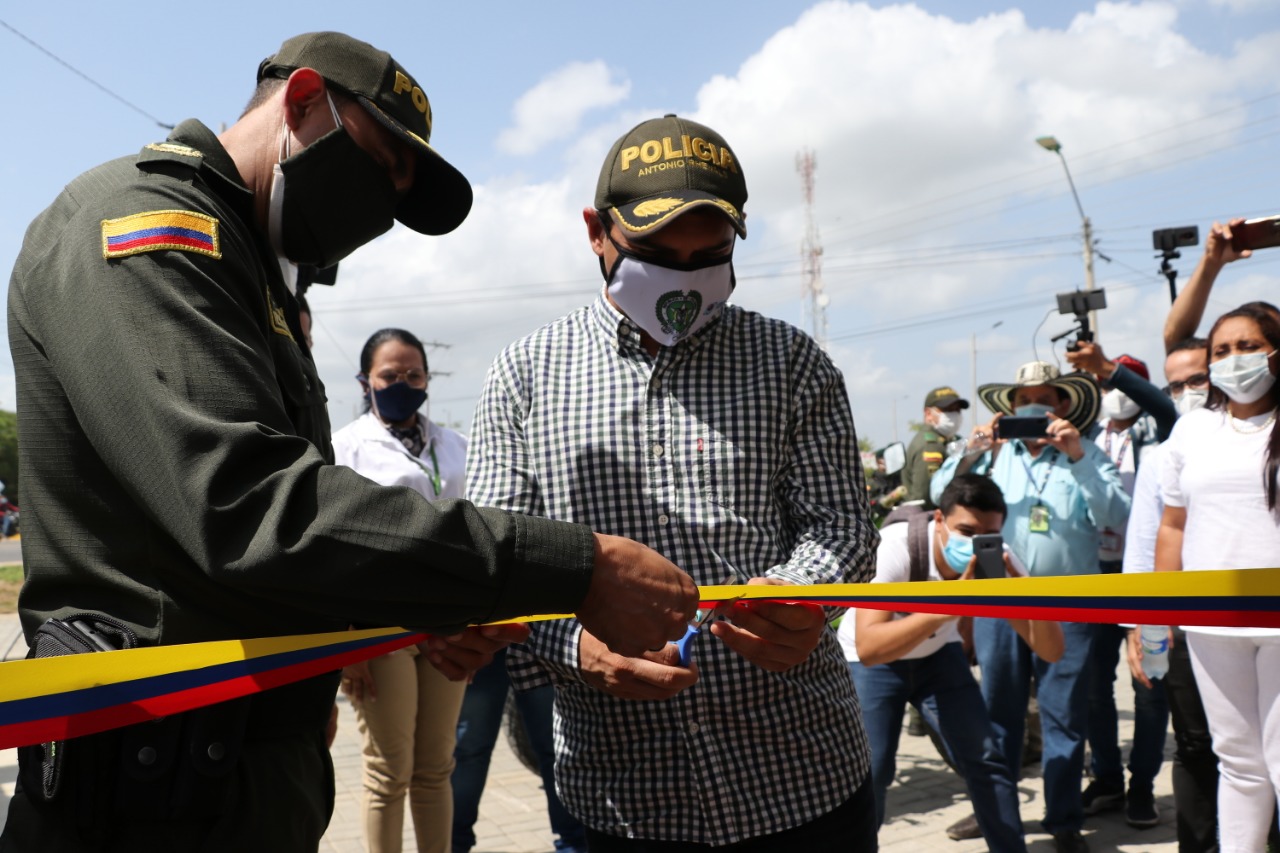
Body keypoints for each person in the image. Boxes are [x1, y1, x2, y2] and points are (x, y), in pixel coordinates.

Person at [1, 33, 698, 852]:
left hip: (228, 777)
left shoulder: (249, 264)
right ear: (300, 103)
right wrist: (573, 564)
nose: (378, 211)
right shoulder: (150, 228)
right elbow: (253, 512)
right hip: (139, 794)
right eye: (378, 166)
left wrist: (420, 610)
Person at [468, 114, 880, 851]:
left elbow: (844, 526)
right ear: (598, 232)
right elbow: (503, 554)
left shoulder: (791, 363)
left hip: (802, 777)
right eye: (656, 253)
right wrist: (574, 645)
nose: (684, 276)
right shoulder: (524, 377)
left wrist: (801, 594)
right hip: (621, 797)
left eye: (711, 254)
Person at [931, 361, 1130, 853]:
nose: (1033, 408)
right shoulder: (993, 457)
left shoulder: (1085, 454)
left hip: (1069, 604)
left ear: (1063, 406)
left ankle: (1063, 820)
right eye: (1023, 401)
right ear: (1010, 408)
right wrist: (971, 451)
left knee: (1065, 717)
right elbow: (939, 497)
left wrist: (1079, 456)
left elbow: (1120, 515)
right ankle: (996, 814)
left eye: (1044, 398)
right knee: (997, 714)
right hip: (1002, 602)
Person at [840, 473, 1063, 852]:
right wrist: (951, 604)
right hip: (872, 666)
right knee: (871, 773)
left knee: (986, 760)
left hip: (938, 659)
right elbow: (870, 646)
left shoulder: (1000, 556)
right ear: (939, 521)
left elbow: (1052, 651)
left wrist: (1019, 596)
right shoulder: (895, 546)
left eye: (986, 534)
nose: (975, 543)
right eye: (965, 529)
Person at [332, 329, 468, 853]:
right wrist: (348, 646)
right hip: (379, 627)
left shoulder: (456, 445)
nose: (403, 383)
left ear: (428, 380)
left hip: (448, 623)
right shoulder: (344, 447)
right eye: (390, 375)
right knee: (390, 769)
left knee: (436, 768)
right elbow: (336, 547)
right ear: (366, 380)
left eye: (414, 375)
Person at [1154, 304, 1280, 853]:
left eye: (1248, 346)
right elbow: (1173, 526)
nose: (1234, 360)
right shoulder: (1193, 429)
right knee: (1238, 760)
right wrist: (1157, 615)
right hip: (1211, 620)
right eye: (1222, 351)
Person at [1063, 346, 1172, 827]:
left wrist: (1115, 371)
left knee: (1149, 686)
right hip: (1095, 574)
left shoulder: (1164, 435)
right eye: (1106, 387)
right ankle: (1106, 778)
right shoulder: (1084, 436)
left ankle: (1142, 785)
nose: (1113, 395)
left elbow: (1165, 407)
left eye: (1123, 385)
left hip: (1147, 577)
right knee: (1091, 686)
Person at [450, 649, 587, 853]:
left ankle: (575, 845)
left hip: (536, 633)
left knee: (557, 746)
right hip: (481, 630)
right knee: (469, 751)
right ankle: (454, 844)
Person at [901, 386, 969, 509]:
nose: (954, 414)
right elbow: (925, 497)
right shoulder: (930, 446)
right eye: (947, 409)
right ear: (928, 414)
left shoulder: (949, 440)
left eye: (957, 410)